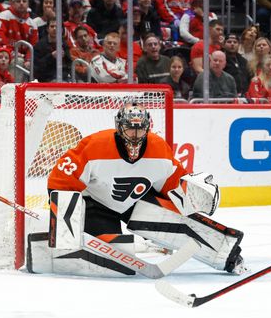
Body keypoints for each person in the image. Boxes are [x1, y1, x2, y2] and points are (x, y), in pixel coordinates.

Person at [42, 103, 246, 277]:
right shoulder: (95, 146)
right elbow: (60, 182)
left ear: (147, 128)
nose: (135, 134)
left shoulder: (159, 150)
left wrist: (193, 197)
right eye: (130, 128)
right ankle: (67, 252)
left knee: (179, 220)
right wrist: (64, 230)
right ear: (119, 127)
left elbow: (174, 187)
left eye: (140, 129)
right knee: (116, 261)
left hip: (136, 203)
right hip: (96, 204)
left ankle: (227, 254)